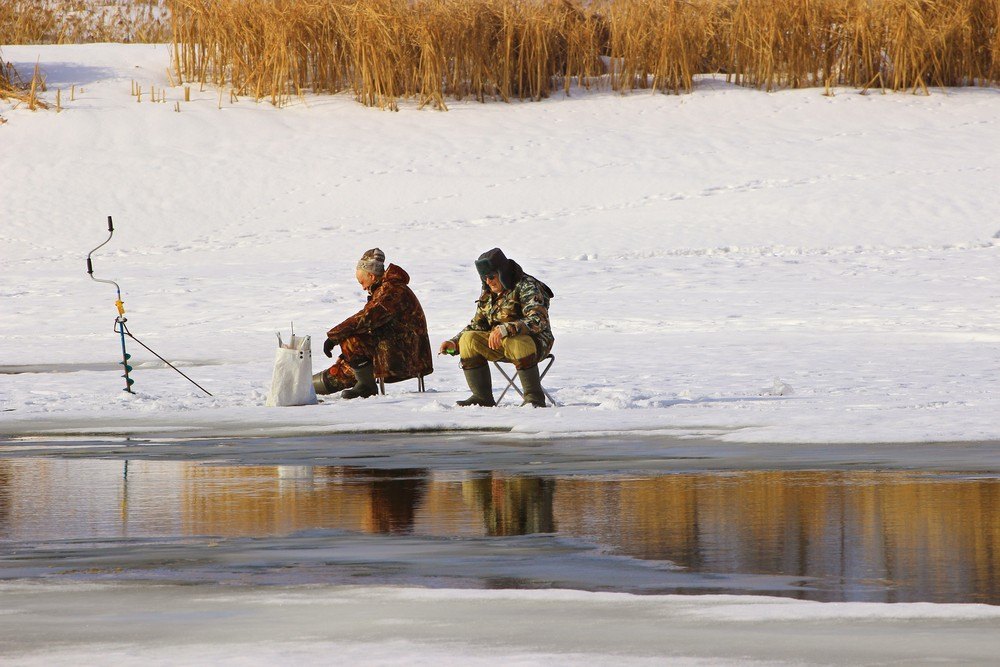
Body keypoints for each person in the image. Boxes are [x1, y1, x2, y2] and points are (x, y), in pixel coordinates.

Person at [439, 248, 554, 407]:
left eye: (491, 276)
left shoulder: (526, 285)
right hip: (500, 344)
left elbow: (538, 319)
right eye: (484, 277)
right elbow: (477, 325)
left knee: (516, 340)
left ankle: (534, 398)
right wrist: (454, 342)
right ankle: (481, 398)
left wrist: (506, 329)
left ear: (503, 273)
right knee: (468, 339)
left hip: (535, 343)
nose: (488, 281)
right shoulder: (488, 293)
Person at [314, 248, 433, 399]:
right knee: (346, 366)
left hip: (406, 356)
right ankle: (309, 387)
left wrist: (334, 336)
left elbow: (367, 317)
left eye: (362, 282)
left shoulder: (391, 290)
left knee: (351, 339)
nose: (363, 287)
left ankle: (366, 387)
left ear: (371, 275)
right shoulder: (388, 288)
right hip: (397, 349)